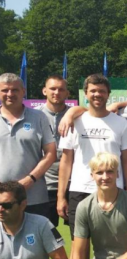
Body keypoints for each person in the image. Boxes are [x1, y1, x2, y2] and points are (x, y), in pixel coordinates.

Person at [57, 74, 127, 259]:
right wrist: (61, 195)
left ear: (108, 94)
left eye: (102, 91)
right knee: (79, 250)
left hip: (115, 193)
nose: (97, 95)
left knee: (118, 246)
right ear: (86, 93)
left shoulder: (120, 123)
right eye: (92, 91)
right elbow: (66, 160)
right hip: (80, 192)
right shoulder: (75, 120)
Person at [0, 73, 56, 219]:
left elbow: (51, 153)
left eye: (15, 90)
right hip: (1, 199)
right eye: (5, 90)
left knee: (36, 233)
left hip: (34, 197)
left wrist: (30, 179)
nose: (10, 94)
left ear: (23, 91)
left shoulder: (39, 117)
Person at [39, 75, 71, 227]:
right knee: (44, 234)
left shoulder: (78, 115)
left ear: (67, 93)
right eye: (52, 88)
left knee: (79, 235)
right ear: (44, 91)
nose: (56, 92)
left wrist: (72, 113)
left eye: (61, 89)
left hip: (72, 184)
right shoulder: (34, 115)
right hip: (44, 185)